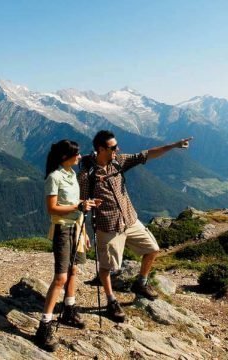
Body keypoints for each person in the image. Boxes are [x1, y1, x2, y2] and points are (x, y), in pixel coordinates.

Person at [78, 130, 192, 322]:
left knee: (153, 249)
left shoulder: (118, 161)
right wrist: (83, 231)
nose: (118, 149)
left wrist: (173, 145)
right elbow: (82, 204)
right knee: (108, 267)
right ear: (100, 149)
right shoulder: (86, 175)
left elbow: (145, 154)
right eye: (113, 147)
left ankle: (141, 282)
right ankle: (111, 301)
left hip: (130, 220)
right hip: (108, 226)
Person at [34, 140, 101, 352]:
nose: (80, 157)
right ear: (65, 157)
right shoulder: (54, 177)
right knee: (61, 276)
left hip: (76, 226)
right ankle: (44, 325)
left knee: (73, 270)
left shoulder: (71, 174)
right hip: (63, 229)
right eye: (77, 154)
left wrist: (85, 212)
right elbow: (52, 208)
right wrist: (78, 206)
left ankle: (69, 309)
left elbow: (75, 205)